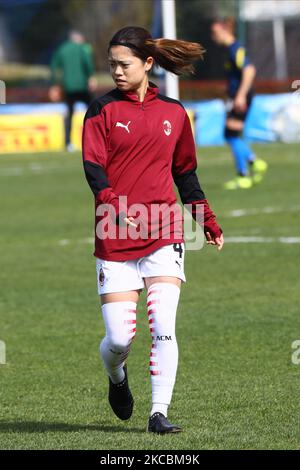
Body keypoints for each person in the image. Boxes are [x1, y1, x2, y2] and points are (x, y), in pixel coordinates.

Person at [82, 26, 224, 434]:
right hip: (115, 231)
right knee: (120, 339)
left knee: (163, 325)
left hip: (164, 231)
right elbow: (93, 168)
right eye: (111, 65)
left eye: (124, 64)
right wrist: (111, 202)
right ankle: (117, 378)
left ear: (147, 63)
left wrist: (206, 220)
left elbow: (186, 174)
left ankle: (158, 413)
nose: (116, 71)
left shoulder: (174, 113)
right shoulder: (101, 110)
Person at [211, 17, 268, 190]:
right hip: (237, 96)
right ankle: (253, 163)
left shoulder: (236, 49)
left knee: (231, 135)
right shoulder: (230, 49)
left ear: (224, 30)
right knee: (231, 134)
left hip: (241, 98)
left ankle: (244, 173)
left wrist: (241, 95)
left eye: (214, 32)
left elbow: (249, 70)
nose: (213, 36)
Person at [49, 30, 96, 151]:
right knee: (94, 112)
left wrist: (55, 84)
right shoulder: (82, 48)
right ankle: (97, 139)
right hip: (82, 86)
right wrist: (91, 77)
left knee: (69, 114)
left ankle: (68, 143)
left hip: (68, 87)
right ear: (78, 38)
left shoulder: (62, 49)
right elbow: (88, 63)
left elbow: (54, 66)